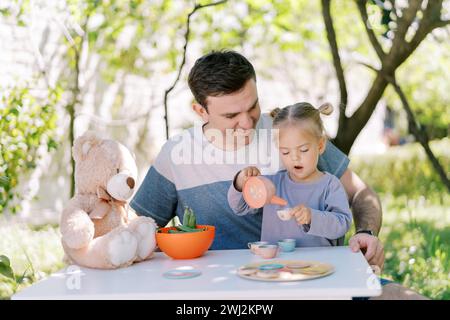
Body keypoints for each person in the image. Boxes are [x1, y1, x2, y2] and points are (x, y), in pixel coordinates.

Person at [130, 50, 427, 299]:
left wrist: (366, 233)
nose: (247, 124)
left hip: (315, 280)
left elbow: (361, 193)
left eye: (253, 107)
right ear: (200, 111)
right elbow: (136, 229)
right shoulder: (176, 155)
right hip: (224, 295)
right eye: (231, 116)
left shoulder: (290, 131)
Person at [228, 102, 352, 247]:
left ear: (320, 145)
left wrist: (313, 217)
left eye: (303, 150)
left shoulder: (330, 185)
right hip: (275, 265)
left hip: (317, 266)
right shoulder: (272, 185)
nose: (294, 158)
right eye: (285, 152)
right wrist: (241, 182)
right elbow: (240, 207)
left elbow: (342, 224)